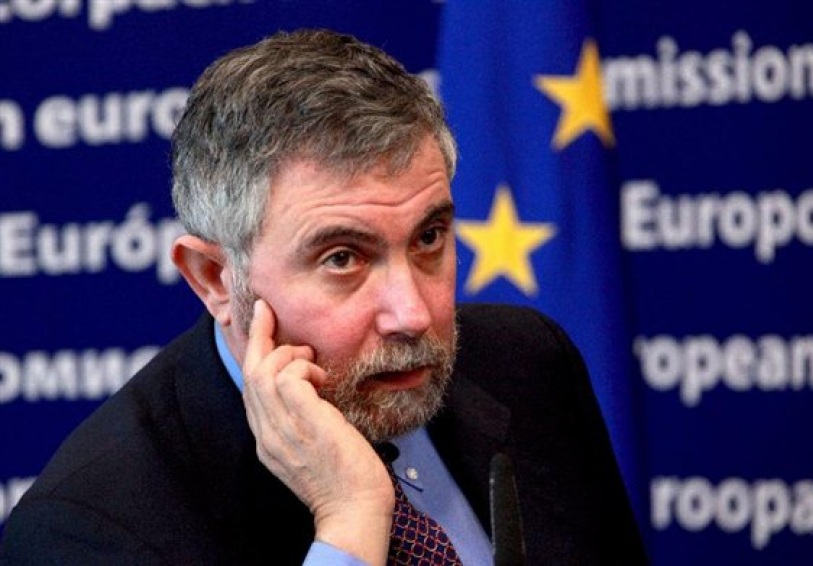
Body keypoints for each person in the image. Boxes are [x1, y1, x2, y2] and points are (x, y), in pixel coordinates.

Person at [0, 29, 646, 565]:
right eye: (342, 258)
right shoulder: (89, 532)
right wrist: (350, 523)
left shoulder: (529, 364)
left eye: (429, 238)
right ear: (215, 278)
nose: (412, 314)